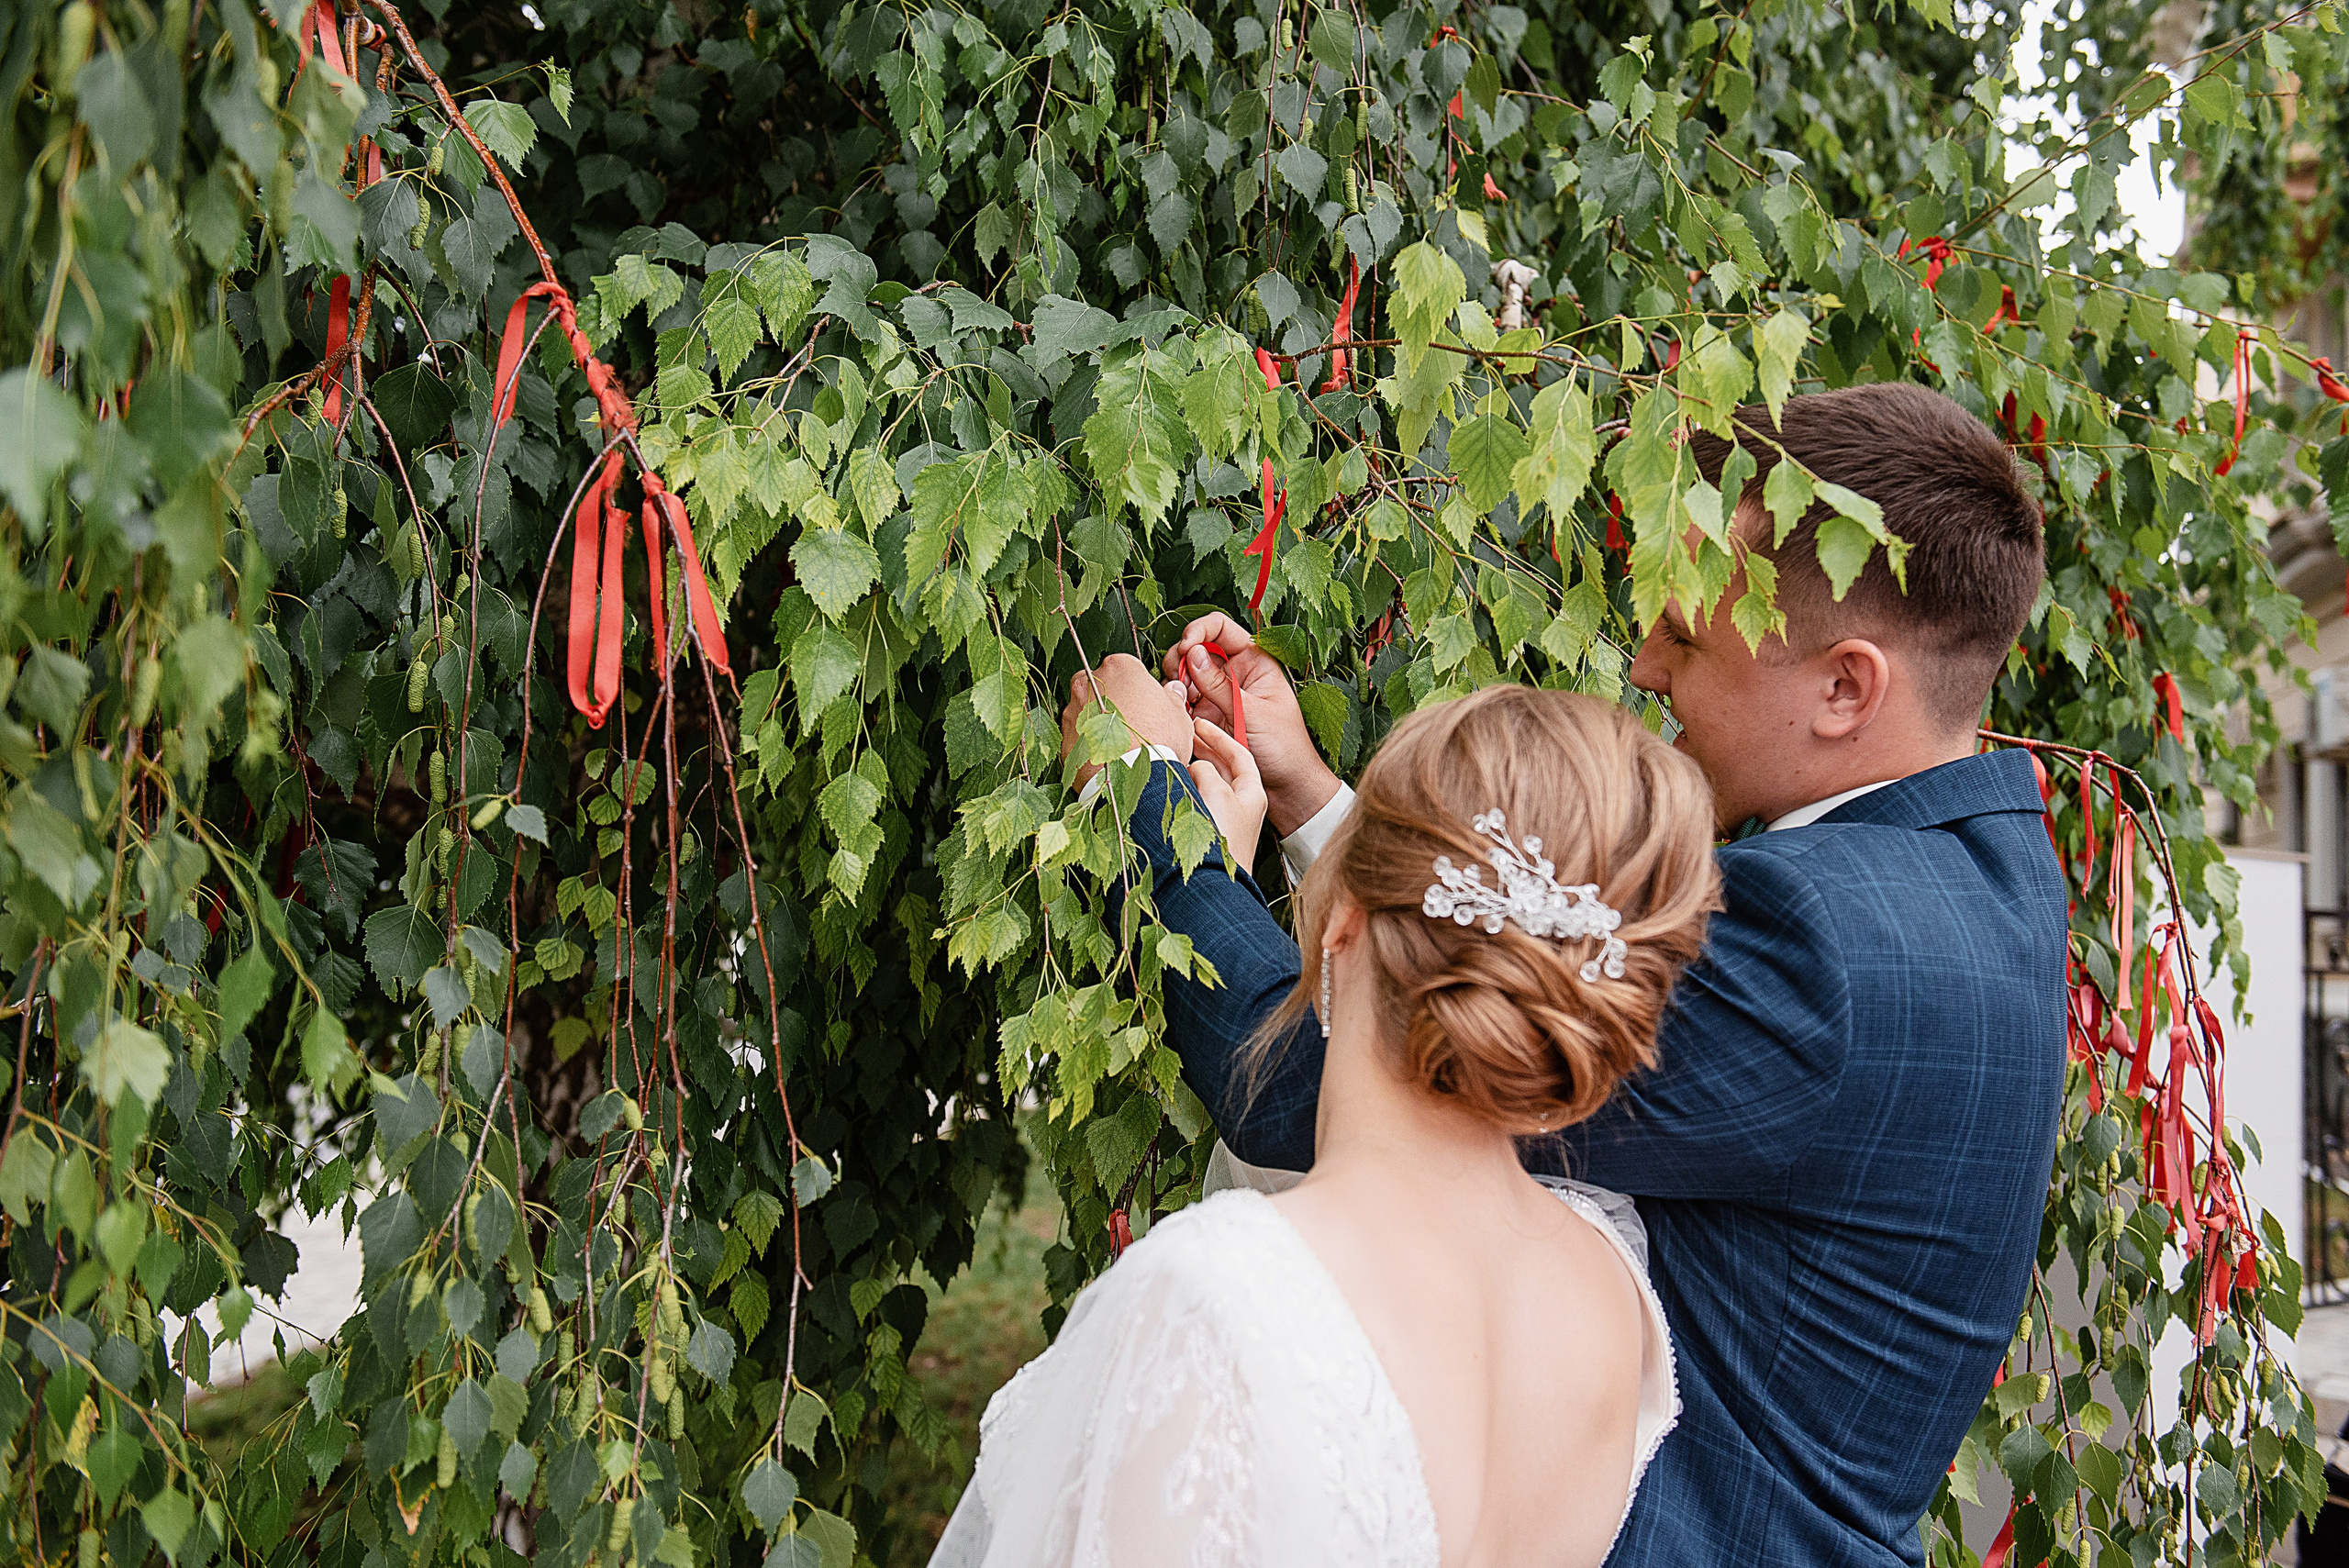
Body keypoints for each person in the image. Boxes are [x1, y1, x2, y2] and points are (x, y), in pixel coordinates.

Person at [1113, 382, 2071, 1565]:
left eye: (1690, 635)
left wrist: (1150, 807)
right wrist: (1312, 796)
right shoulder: (1979, 871)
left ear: (1846, 687)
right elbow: (1495, 964)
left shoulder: (1818, 949)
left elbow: (1312, 1091)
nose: (1647, 661)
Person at [932, 687, 1720, 1568]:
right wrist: (1214, 869)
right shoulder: (1611, 1289)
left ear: (1338, 912)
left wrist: (1138, 795)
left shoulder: (1215, 1292)